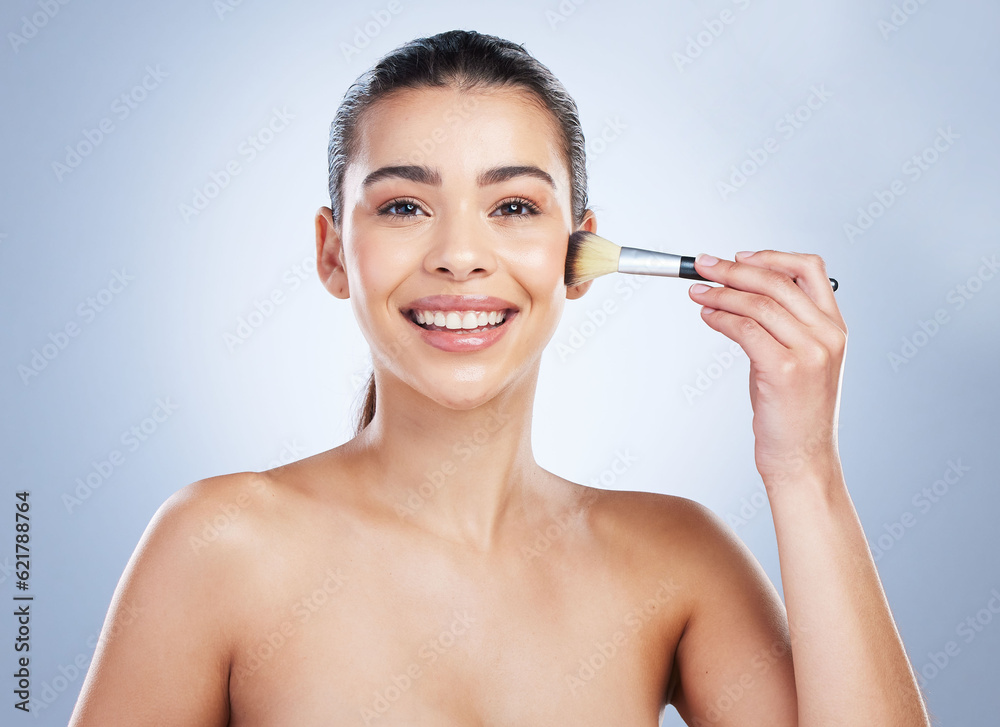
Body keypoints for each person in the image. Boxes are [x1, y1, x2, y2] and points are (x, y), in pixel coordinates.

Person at [68, 29, 931, 726]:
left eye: (514, 206)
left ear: (579, 252)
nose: (459, 257)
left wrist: (805, 469)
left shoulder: (678, 558)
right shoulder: (217, 547)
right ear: (333, 253)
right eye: (405, 205)